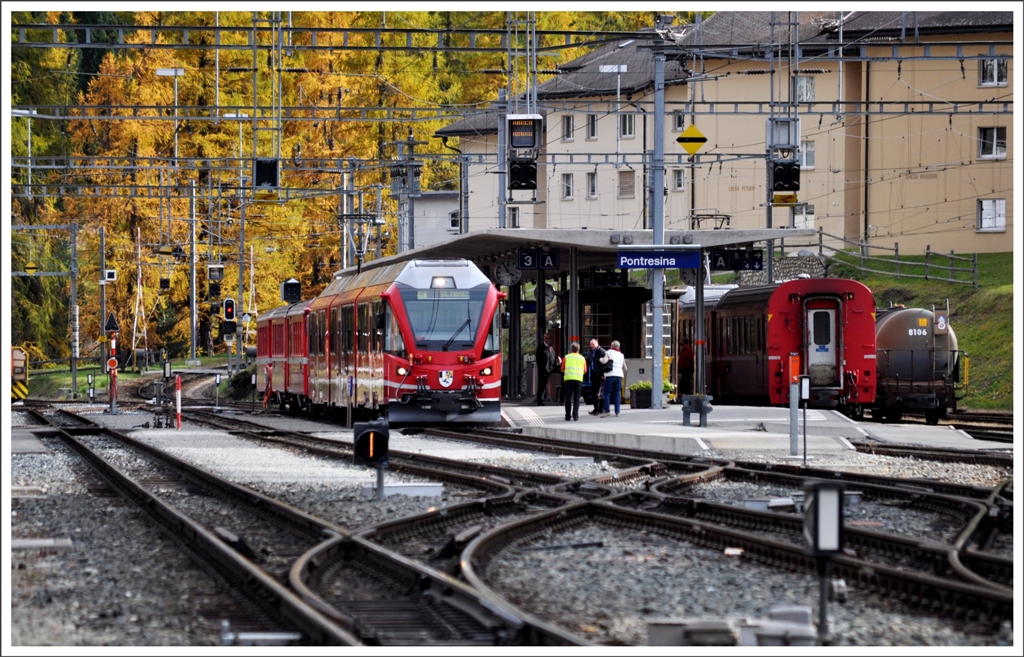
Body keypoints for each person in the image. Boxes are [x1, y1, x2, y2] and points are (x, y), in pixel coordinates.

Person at [561, 342, 587, 421]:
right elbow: (585, 370)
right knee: (576, 399)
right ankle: (575, 416)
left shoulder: (566, 357)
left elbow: (562, 369)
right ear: (578, 349)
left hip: (568, 380)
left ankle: (567, 416)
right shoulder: (582, 358)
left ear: (571, 349)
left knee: (568, 398)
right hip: (578, 380)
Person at [600, 340, 626, 417]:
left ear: (611, 346)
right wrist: (621, 373)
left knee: (606, 393)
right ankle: (617, 412)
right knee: (616, 393)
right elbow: (625, 368)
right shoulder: (621, 355)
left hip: (610, 375)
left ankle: (607, 410)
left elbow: (604, 361)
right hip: (619, 376)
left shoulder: (609, 352)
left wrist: (600, 359)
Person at [535, 333, 561, 405]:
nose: (548, 340)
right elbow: (539, 360)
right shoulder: (540, 348)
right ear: (544, 339)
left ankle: (562, 397)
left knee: (563, 373)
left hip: (552, 367)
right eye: (547, 338)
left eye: (549, 338)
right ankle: (540, 400)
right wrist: (543, 368)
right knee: (542, 384)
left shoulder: (551, 348)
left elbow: (553, 356)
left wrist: (557, 359)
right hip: (545, 369)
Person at [588, 338, 607, 415]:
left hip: (600, 375)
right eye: (590, 344)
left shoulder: (602, 351)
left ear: (597, 343)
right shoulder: (591, 352)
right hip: (593, 374)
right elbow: (588, 360)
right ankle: (596, 408)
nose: (591, 346)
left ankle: (600, 409)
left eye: (593, 344)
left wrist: (603, 374)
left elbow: (605, 364)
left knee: (599, 393)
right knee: (594, 392)